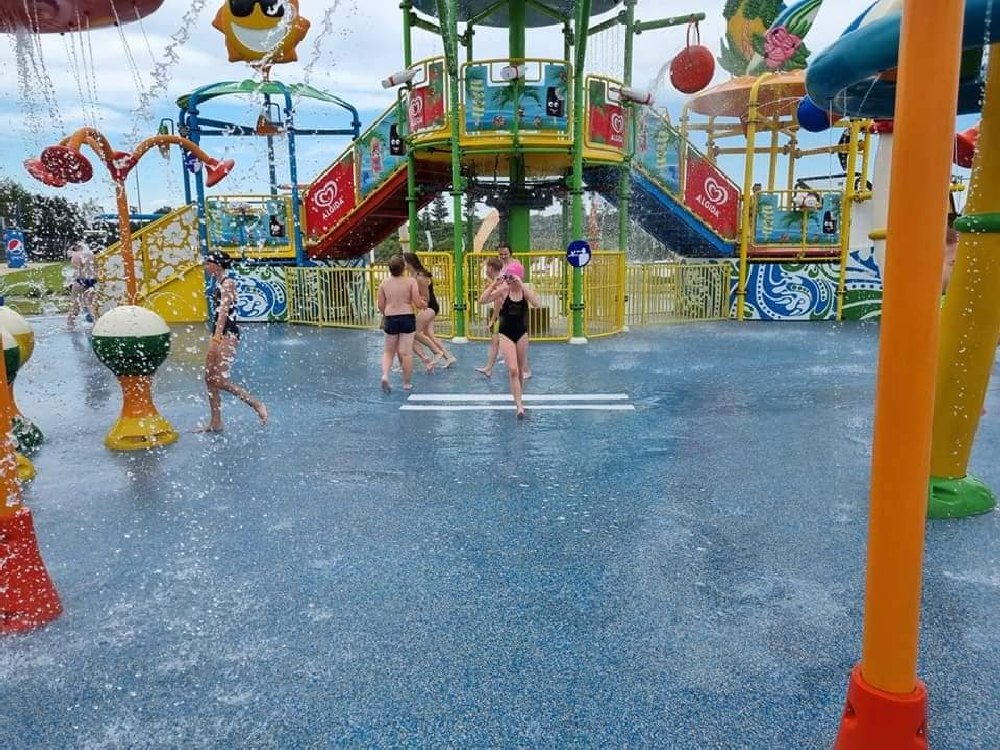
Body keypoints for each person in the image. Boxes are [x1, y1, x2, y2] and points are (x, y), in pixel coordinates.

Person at [199, 251, 268, 432]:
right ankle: (216, 422)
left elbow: (223, 313)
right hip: (218, 333)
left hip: (227, 334)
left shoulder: (227, 283)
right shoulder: (219, 282)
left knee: (219, 380)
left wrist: (216, 338)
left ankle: (256, 404)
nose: (206, 266)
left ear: (218, 264)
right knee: (209, 378)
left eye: (208, 263)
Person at [479, 260, 542, 418]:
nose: (509, 281)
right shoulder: (504, 290)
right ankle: (519, 407)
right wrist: (493, 284)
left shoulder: (523, 291)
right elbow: (482, 300)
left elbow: (537, 303)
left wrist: (522, 285)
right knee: (513, 370)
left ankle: (519, 399)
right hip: (505, 334)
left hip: (521, 334)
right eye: (508, 277)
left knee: (520, 369)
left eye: (512, 278)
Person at [378, 254, 426, 392]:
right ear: (404, 267)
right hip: (407, 316)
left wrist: (387, 312)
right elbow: (417, 302)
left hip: (391, 317)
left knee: (388, 352)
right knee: (406, 353)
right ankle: (406, 383)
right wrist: (423, 304)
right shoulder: (410, 282)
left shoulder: (384, 283)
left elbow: (380, 305)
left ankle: (385, 375)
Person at [403, 252, 456, 368]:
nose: (402, 264)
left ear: (409, 263)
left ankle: (435, 353)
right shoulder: (414, 276)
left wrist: (412, 298)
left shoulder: (420, 277)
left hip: (429, 307)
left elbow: (426, 298)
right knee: (429, 334)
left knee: (412, 332)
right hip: (428, 307)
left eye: (404, 262)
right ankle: (449, 357)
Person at [476, 257, 504, 377]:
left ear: (490, 268)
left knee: (499, 342)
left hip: (508, 319)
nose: (485, 269)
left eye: (486, 267)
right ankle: (488, 368)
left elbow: (496, 301)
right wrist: (494, 319)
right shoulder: (498, 281)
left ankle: (524, 369)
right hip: (503, 318)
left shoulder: (500, 282)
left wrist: (493, 319)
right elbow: (498, 303)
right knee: (495, 341)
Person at [66, 241, 99, 328]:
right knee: (91, 305)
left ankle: (70, 326)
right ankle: (97, 325)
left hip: (81, 281)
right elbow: (96, 268)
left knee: (75, 306)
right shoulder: (91, 254)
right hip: (91, 282)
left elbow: (77, 270)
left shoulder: (75, 255)